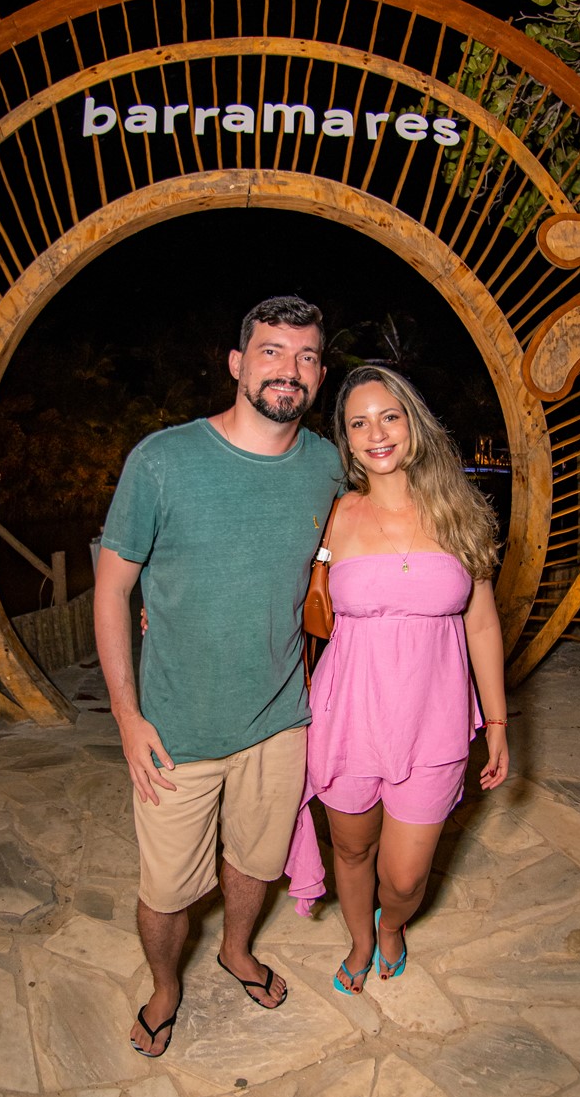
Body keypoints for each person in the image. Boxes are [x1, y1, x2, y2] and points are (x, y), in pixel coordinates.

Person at [94, 296, 342, 1056]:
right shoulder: (163, 461)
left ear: (320, 374)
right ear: (237, 363)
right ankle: (165, 987)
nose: (288, 370)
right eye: (271, 351)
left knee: (257, 862)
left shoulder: (328, 467)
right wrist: (127, 717)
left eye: (305, 357)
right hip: (177, 729)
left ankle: (237, 951)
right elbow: (112, 589)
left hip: (279, 720)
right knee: (167, 891)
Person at [304, 364, 509, 995]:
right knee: (352, 851)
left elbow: (481, 624)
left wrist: (497, 722)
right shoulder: (334, 516)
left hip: (433, 720)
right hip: (348, 716)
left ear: (413, 423)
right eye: (358, 423)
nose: (376, 434)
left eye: (389, 416)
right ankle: (361, 940)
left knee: (404, 878)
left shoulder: (459, 512)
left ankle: (390, 923)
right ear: (345, 439)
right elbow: (270, 586)